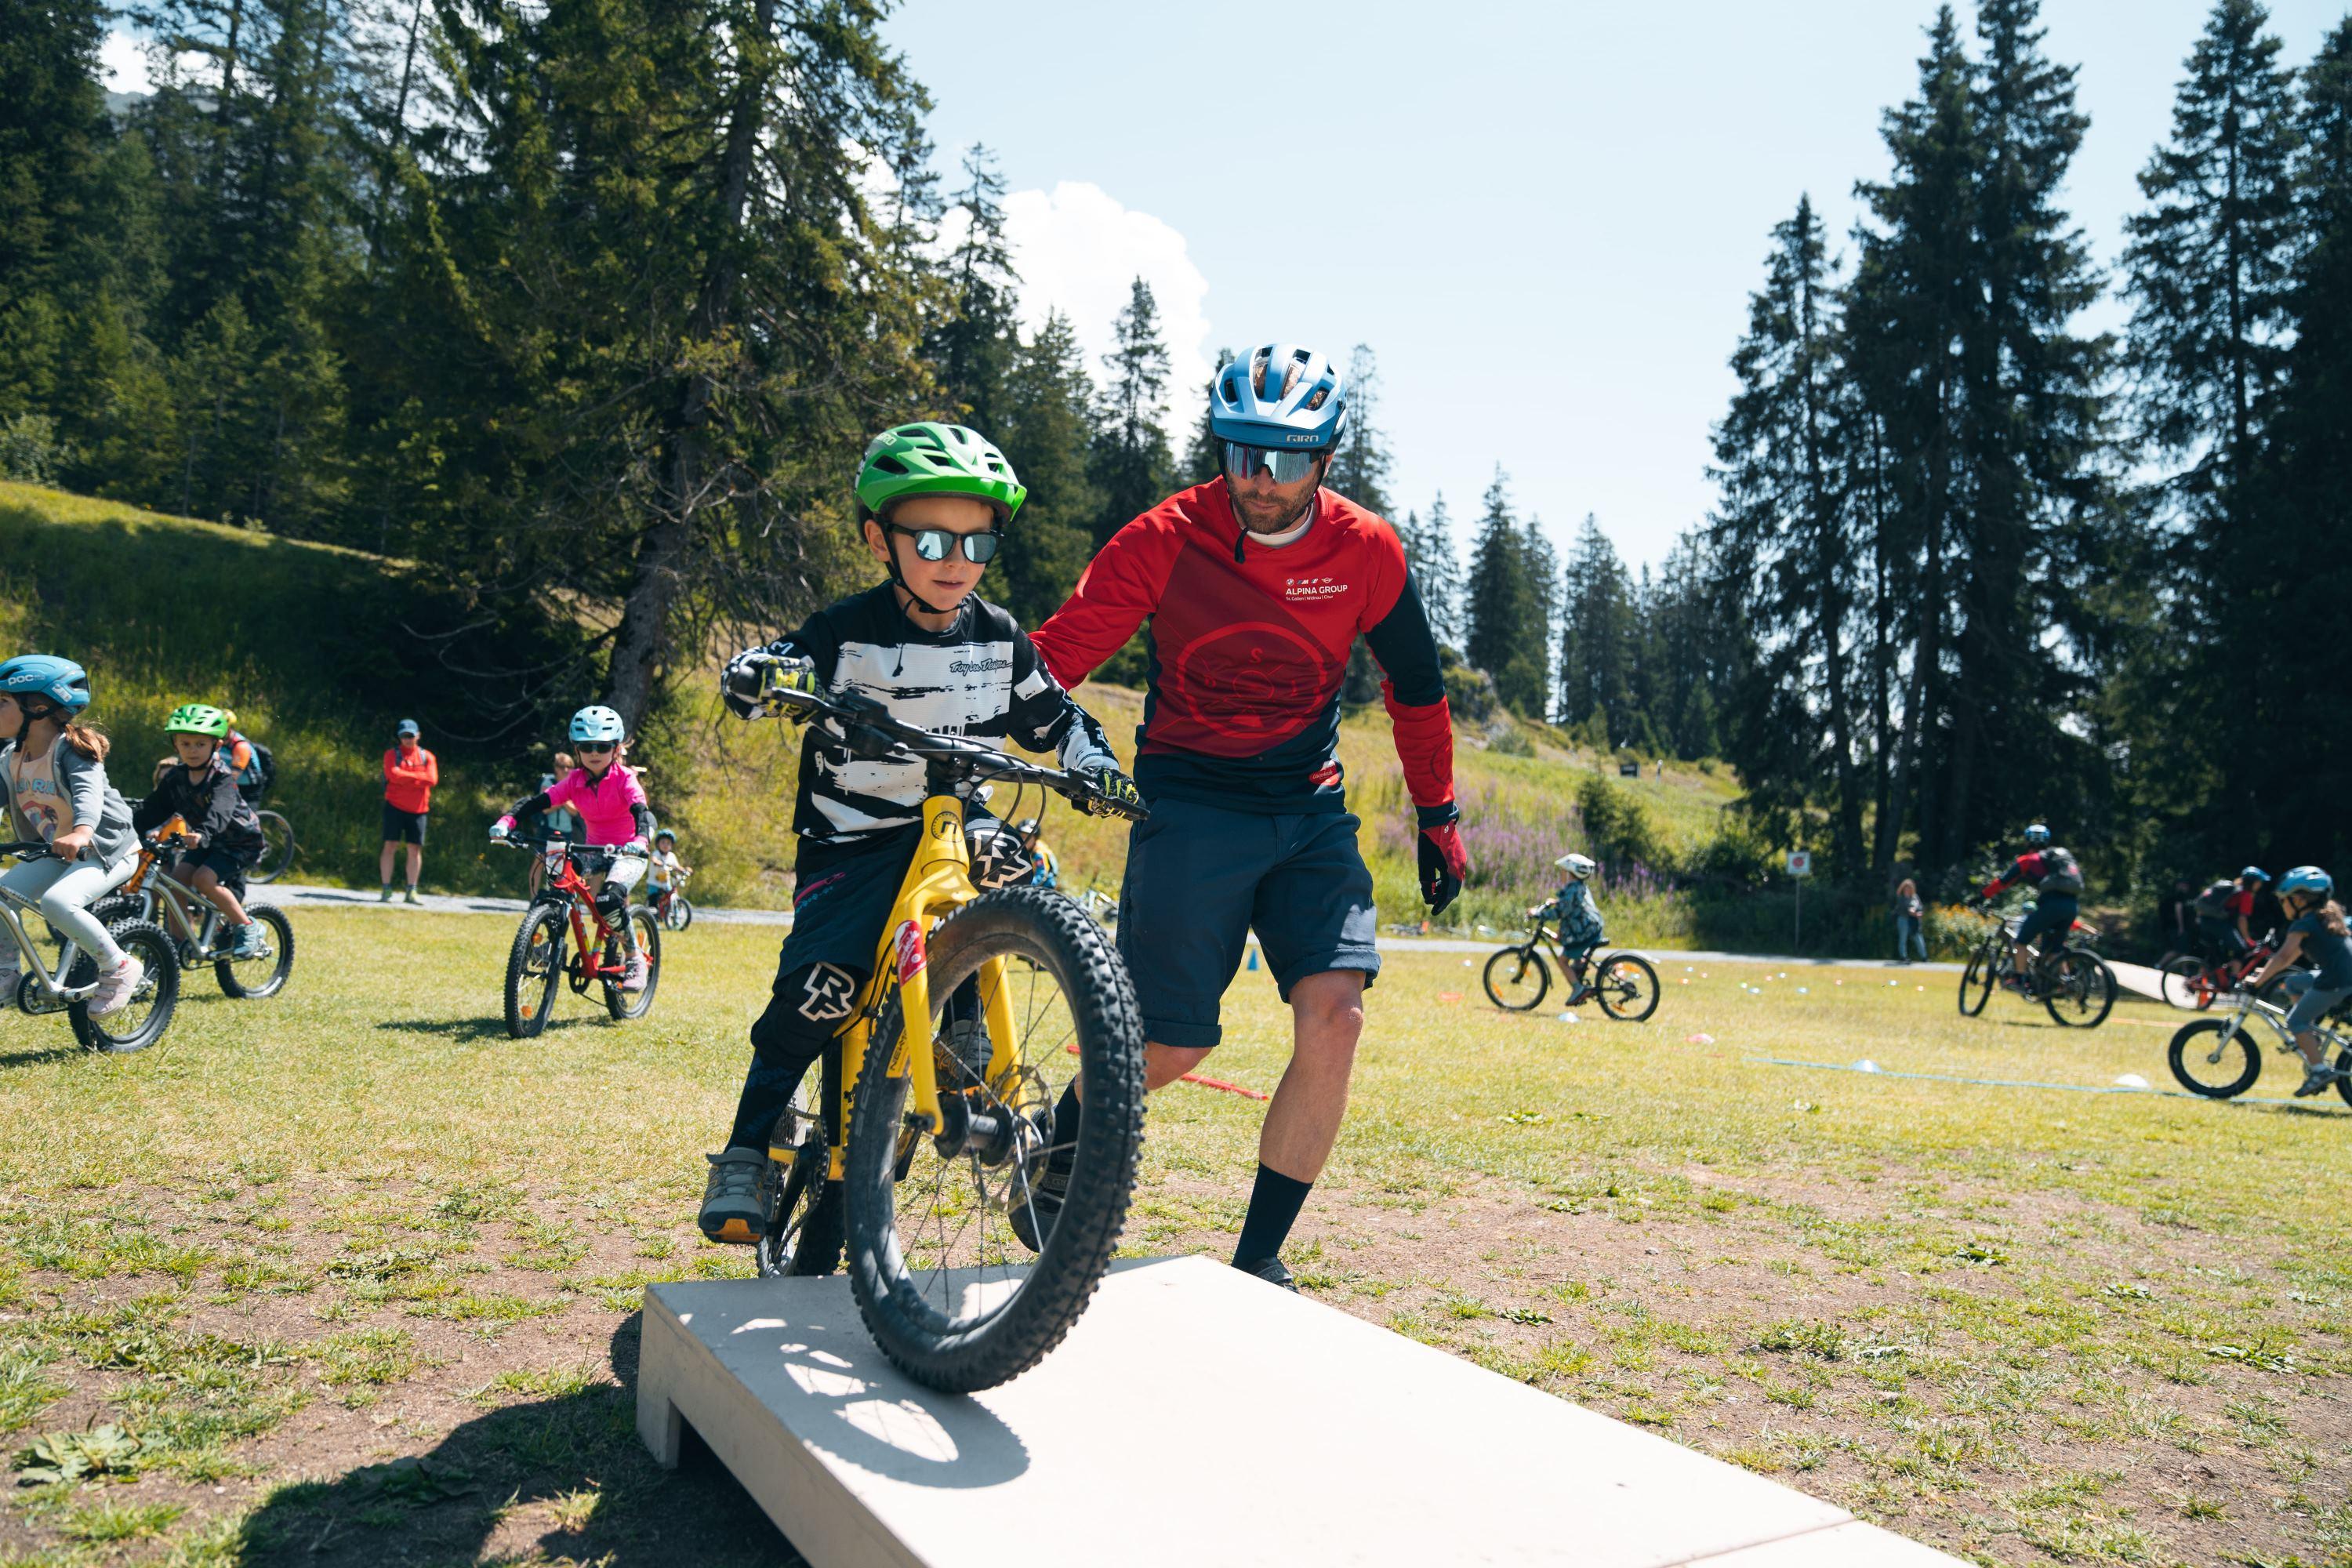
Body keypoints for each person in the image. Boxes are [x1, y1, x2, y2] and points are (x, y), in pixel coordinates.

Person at [1025, 343, 1468, 1290]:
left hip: (1306, 802)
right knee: (1171, 1044)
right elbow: (1058, 656)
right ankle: (1060, 1133)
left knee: (1337, 1014)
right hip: (1191, 797)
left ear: (1326, 459)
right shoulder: (1164, 537)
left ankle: (1259, 1255)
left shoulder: (1366, 550)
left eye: (1287, 459)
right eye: (1242, 454)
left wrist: (1438, 814)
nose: (1261, 480)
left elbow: (1418, 690)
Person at [696, 420, 1134, 1246]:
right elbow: (779, 667)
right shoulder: (846, 630)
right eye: (932, 540)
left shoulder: (1000, 638)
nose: (955, 560)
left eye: (978, 542)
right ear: (880, 539)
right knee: (822, 986)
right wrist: (766, 675)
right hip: (853, 837)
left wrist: (1097, 766)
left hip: (956, 819)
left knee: (1014, 867)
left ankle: (971, 1027)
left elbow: (1059, 717)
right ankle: (747, 1149)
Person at [0, 656, 146, 1016]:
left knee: (58, 903)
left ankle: (119, 966)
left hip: (106, 849)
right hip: (57, 850)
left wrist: (82, 832)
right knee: (2, 896)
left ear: (37, 708)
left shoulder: (72, 750)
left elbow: (87, 796)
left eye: (2, 701)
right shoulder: (11, 756)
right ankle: (7, 974)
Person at [490, 706, 657, 990]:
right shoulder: (575, 781)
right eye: (586, 746)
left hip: (628, 851)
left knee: (609, 900)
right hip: (592, 849)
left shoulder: (625, 779)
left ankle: (634, 957)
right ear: (577, 749)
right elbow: (538, 802)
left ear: (616, 748)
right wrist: (508, 821)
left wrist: (640, 841)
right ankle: (552, 942)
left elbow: (642, 813)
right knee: (557, 879)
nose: (594, 752)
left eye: (602, 746)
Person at [130, 705, 267, 956]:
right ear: (175, 745)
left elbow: (219, 811)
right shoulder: (176, 778)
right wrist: (127, 827)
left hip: (240, 842)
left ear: (216, 745)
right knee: (176, 881)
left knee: (203, 879)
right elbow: (153, 810)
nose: (192, 750)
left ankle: (247, 925)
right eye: (185, 744)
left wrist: (203, 833)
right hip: (206, 841)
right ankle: (180, 943)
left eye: (200, 744)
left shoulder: (221, 778)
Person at [2245, 866, 2351, 1097]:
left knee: (2295, 1021)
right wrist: (2264, 974)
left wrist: (2257, 982)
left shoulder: (2304, 924)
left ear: (2299, 899)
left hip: (2337, 980)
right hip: (2341, 976)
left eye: (2284, 900)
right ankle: (2310, 1034)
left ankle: (2320, 1071)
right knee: (2293, 983)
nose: (2282, 905)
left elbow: (2283, 956)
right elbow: (2290, 956)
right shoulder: (2321, 919)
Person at [1973, 823, 2085, 985]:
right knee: (2055, 949)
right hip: (2072, 906)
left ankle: (2019, 977)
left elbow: (2003, 882)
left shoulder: (2028, 860)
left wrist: (1982, 896)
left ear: (2027, 841)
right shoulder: (2058, 861)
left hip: (2051, 906)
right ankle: (2066, 984)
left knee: (2021, 941)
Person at [1531, 852, 1606, 1003]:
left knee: (1562, 961)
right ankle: (1580, 967)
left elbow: (1560, 912)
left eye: (1564, 872)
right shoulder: (1579, 887)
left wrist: (1538, 914)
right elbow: (1571, 905)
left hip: (1583, 933)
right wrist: (1557, 902)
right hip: (1591, 929)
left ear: (1570, 874)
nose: (1561, 875)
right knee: (1566, 943)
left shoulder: (1572, 889)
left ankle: (1578, 989)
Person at [380, 719, 437, 903]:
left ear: (418, 736)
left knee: (415, 849)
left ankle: (411, 890)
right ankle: (386, 889)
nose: (407, 739)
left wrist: (405, 777)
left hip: (419, 810)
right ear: (399, 737)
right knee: (390, 846)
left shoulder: (427, 757)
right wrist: (418, 778)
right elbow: (392, 775)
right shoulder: (391, 755)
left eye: (411, 736)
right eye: (404, 736)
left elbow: (432, 779)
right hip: (394, 807)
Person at [2192, 866, 2267, 964]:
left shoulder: (2235, 889)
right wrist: (2247, 939)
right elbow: (2242, 919)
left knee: (2214, 954)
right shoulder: (2245, 895)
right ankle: (2234, 975)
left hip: (2204, 920)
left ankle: (2204, 973)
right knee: (2240, 949)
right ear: (2252, 882)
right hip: (2218, 924)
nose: (2260, 885)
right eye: (2259, 882)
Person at [647, 829, 689, 914]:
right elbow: (654, 859)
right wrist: (658, 862)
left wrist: (685, 870)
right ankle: (653, 917)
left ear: (672, 845)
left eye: (668, 843)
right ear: (658, 844)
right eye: (663, 842)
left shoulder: (671, 856)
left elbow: (677, 867)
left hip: (666, 883)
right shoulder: (656, 853)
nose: (665, 845)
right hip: (654, 882)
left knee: (672, 895)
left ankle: (675, 914)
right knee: (653, 900)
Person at [1893, 877, 1927, 963]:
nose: (1907, 890)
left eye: (1909, 888)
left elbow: (1920, 906)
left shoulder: (1915, 897)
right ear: (1903, 888)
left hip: (1914, 921)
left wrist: (1920, 913)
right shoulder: (1901, 897)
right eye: (1906, 888)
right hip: (1903, 919)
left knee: (1918, 937)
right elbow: (1905, 909)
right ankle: (1903, 956)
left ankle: (1924, 957)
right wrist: (1914, 913)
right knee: (1903, 938)